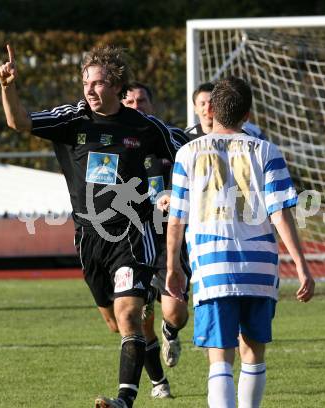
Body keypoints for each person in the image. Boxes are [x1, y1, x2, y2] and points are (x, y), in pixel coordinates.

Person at [0, 44, 181, 408]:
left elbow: (187, 155)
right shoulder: (73, 120)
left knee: (128, 314)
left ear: (116, 85)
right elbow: (18, 121)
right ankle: (149, 344)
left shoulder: (146, 128)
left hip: (131, 233)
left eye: (97, 83)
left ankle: (124, 400)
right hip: (88, 238)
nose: (90, 90)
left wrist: (173, 191)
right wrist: (7, 86)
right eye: (85, 83)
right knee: (116, 323)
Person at [166, 76, 315, 408]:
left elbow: (177, 217)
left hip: (212, 264)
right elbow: (280, 214)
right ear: (247, 114)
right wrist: (303, 267)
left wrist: (173, 266)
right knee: (254, 353)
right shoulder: (266, 150)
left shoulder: (188, 153)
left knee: (220, 357)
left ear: (212, 109)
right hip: (259, 266)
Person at [122, 82, 191, 370]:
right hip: (131, 235)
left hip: (168, 235)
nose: (137, 107)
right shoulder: (113, 141)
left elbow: (195, 173)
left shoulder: (173, 138)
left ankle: (170, 331)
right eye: (130, 103)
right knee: (129, 317)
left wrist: (176, 196)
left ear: (152, 105)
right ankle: (156, 382)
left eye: (141, 101)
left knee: (175, 313)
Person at [185, 81, 266, 141]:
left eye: (211, 103)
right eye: (202, 104)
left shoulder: (245, 135)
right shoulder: (185, 137)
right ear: (195, 108)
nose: (208, 108)